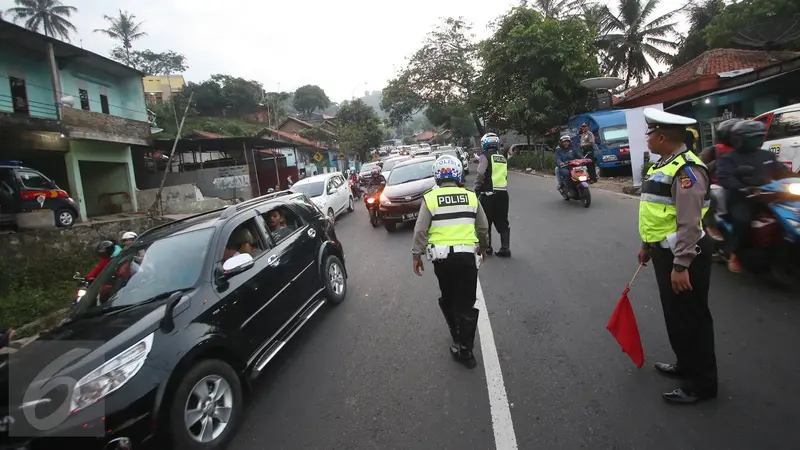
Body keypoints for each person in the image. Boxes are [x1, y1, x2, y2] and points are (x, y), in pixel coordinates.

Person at [636, 108, 717, 405]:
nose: (647, 138)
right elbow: (655, 211)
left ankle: (702, 384)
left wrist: (681, 264)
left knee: (692, 318)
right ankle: (685, 364)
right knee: (675, 315)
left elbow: (689, 222)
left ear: (661, 136)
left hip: (685, 254)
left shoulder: (688, 171)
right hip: (664, 251)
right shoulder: (663, 165)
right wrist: (646, 245)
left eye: (649, 133)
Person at [412, 154, 489, 369]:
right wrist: (483, 248)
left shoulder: (430, 199)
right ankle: (466, 349)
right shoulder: (471, 197)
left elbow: (420, 230)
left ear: (438, 176)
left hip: (442, 261)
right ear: (458, 174)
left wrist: (416, 256)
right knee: (466, 301)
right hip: (467, 258)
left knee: (448, 296)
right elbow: (483, 227)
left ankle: (455, 332)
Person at [716, 120, 792, 273]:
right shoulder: (729, 158)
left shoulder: (767, 155)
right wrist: (743, 188)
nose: (757, 139)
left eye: (759, 136)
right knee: (742, 220)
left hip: (771, 195)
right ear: (739, 139)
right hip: (743, 198)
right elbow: (725, 176)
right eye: (753, 137)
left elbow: (783, 172)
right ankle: (735, 254)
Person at [698, 119, 741, 241]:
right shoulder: (713, 151)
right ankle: (710, 224)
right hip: (718, 185)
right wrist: (718, 163)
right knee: (712, 194)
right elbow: (699, 169)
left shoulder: (746, 150)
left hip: (741, 185)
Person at [474, 133, 511, 257]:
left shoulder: (484, 156)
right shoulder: (502, 157)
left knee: (486, 222)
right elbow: (504, 175)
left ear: (484, 143)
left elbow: (480, 173)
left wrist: (477, 187)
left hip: (488, 194)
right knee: (503, 222)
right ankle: (505, 248)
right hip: (503, 193)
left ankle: (487, 247)